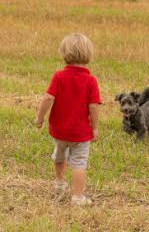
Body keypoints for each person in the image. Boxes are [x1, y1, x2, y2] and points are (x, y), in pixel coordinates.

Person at [35, 33, 101, 205]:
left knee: (60, 154)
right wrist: (94, 128)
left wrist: (40, 117)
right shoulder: (91, 80)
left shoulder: (58, 76)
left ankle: (59, 182)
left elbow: (48, 98)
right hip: (80, 133)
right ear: (88, 54)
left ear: (64, 53)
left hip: (59, 130)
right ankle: (78, 197)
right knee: (79, 163)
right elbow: (93, 106)